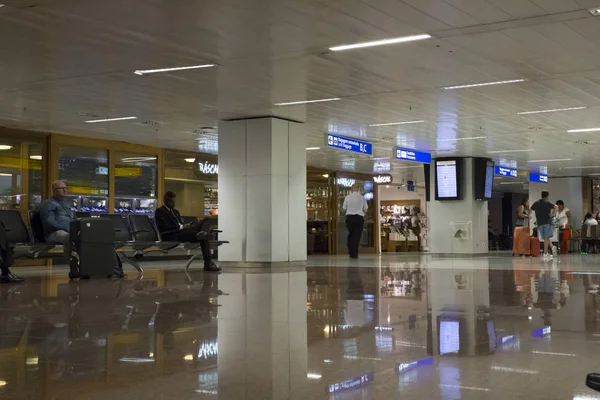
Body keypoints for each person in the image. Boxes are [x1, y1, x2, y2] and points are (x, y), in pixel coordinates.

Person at [41, 180, 125, 279]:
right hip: (54, 233)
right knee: (69, 237)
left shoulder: (67, 205)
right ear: (54, 190)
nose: (65, 190)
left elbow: (75, 220)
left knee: (95, 238)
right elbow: (49, 222)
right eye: (61, 188)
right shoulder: (48, 204)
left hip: (72, 231)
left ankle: (112, 268)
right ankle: (74, 268)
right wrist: (70, 229)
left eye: (65, 188)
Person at [154, 191, 220, 272]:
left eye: (174, 201)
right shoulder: (159, 211)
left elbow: (181, 224)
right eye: (171, 202)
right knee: (202, 237)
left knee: (206, 220)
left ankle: (203, 232)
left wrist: (187, 225)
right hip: (171, 235)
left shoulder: (175, 212)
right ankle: (208, 264)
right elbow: (163, 227)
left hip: (182, 231)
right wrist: (182, 227)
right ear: (166, 201)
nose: (173, 203)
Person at [342, 183, 368, 259]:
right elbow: (366, 209)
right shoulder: (362, 198)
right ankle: (354, 253)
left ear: (351, 189)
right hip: (359, 218)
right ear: (358, 189)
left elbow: (344, 208)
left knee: (350, 234)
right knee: (357, 235)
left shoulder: (347, 197)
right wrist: (363, 213)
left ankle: (351, 252)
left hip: (349, 218)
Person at [531, 191, 556, 259]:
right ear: (547, 196)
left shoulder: (536, 203)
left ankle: (550, 249)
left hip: (540, 223)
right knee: (546, 238)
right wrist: (553, 214)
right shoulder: (547, 203)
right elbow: (556, 206)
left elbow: (531, 209)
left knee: (545, 238)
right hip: (547, 221)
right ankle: (546, 253)